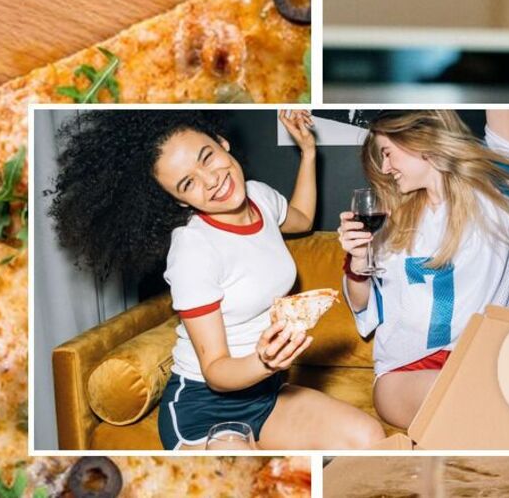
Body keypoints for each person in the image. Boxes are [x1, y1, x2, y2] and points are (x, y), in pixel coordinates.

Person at [47, 109, 389, 450]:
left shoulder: (258, 196)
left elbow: (300, 219)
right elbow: (215, 371)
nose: (210, 180)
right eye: (188, 183)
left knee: (369, 439)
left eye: (207, 157)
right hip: (204, 407)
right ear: (178, 200)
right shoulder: (193, 249)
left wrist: (309, 152)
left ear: (222, 143)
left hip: (266, 394)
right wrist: (265, 361)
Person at [337, 109, 509, 430]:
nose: (385, 168)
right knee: (461, 400)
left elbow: (503, 109)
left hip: (480, 364)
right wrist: (357, 263)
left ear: (420, 140)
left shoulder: (494, 199)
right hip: (404, 373)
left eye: (387, 153)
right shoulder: (390, 221)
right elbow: (360, 303)